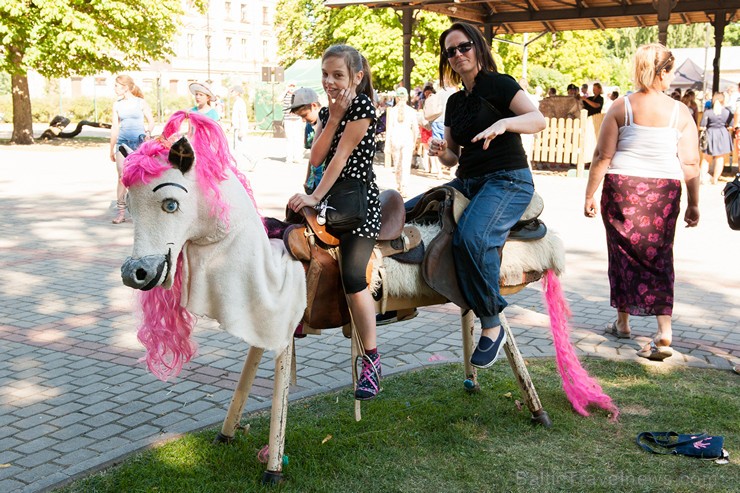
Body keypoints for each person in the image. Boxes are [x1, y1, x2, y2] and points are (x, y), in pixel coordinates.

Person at [418, 22, 546, 369]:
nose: (458, 55)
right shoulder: (454, 102)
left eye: (463, 47)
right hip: (468, 180)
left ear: (477, 46)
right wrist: (439, 148)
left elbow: (538, 119)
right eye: (450, 51)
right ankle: (396, 297)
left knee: (471, 237)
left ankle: (491, 322)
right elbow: (453, 158)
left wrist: (504, 123)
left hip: (507, 180)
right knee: (410, 210)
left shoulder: (499, 83)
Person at [584, 43, 700, 362]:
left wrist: (589, 193)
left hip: (623, 188)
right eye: (671, 71)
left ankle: (623, 323)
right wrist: (694, 204)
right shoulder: (681, 112)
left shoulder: (621, 107)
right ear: (661, 72)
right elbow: (690, 163)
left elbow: (602, 155)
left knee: (622, 254)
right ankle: (664, 331)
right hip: (665, 190)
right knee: (660, 257)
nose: (672, 78)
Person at [287, 45, 383, 400]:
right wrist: (332, 115)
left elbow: (341, 158)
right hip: (330, 195)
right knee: (292, 237)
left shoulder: (363, 106)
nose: (329, 81)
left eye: (338, 75)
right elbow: (317, 156)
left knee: (354, 277)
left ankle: (372, 360)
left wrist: (313, 197)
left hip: (357, 201)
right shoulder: (332, 109)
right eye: (326, 74)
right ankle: (300, 310)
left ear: (357, 76)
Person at [109, 74, 155, 224]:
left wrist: (148, 132)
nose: (114, 88)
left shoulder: (140, 103)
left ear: (126, 87)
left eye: (117, 85)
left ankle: (142, 210)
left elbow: (151, 121)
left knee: (139, 177)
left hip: (138, 142)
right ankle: (121, 212)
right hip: (122, 143)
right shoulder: (117, 105)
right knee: (122, 176)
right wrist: (111, 148)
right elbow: (115, 127)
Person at [385, 87, 420, 197]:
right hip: (407, 139)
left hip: (395, 139)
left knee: (397, 164)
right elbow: (415, 129)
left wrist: (387, 144)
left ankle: (399, 184)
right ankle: (404, 187)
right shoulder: (411, 111)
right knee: (405, 164)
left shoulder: (392, 111)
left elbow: (389, 128)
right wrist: (414, 141)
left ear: (396, 97)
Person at [288, 87, 323, 192]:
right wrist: (307, 179)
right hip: (313, 183)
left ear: (314, 106)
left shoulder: (330, 123)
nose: (303, 120)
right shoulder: (309, 126)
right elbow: (312, 155)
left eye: (304, 115)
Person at [699, 92, 734, 185]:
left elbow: (702, 126)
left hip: (710, 134)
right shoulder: (727, 112)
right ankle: (715, 179)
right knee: (720, 158)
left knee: (706, 158)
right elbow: (731, 126)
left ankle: (703, 178)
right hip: (722, 134)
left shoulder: (708, 112)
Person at [282, 82, 305, 164]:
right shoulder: (285, 95)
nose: (291, 88)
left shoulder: (297, 95)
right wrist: (285, 90)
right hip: (288, 120)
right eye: (290, 86)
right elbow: (278, 99)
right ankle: (289, 158)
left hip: (297, 119)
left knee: (298, 139)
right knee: (289, 139)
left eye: (293, 86)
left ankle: (298, 157)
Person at [229, 85, 250, 169]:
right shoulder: (237, 102)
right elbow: (235, 116)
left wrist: (241, 129)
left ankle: (239, 166)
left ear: (237, 92)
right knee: (237, 147)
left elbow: (242, 116)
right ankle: (251, 160)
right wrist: (231, 126)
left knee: (239, 148)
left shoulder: (240, 102)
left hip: (240, 127)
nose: (231, 93)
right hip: (236, 127)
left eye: (232, 91)